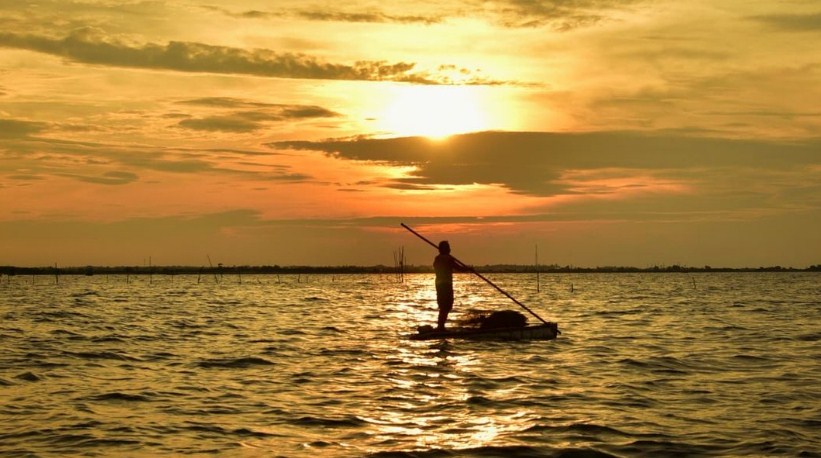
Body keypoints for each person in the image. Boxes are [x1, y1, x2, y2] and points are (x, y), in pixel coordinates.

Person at [433, 240, 471, 330]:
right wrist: (469, 268)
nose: (450, 249)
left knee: (443, 305)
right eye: (448, 247)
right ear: (445, 249)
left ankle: (440, 326)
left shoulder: (437, 258)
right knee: (446, 305)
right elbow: (459, 268)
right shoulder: (448, 259)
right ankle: (441, 327)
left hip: (439, 284)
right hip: (446, 284)